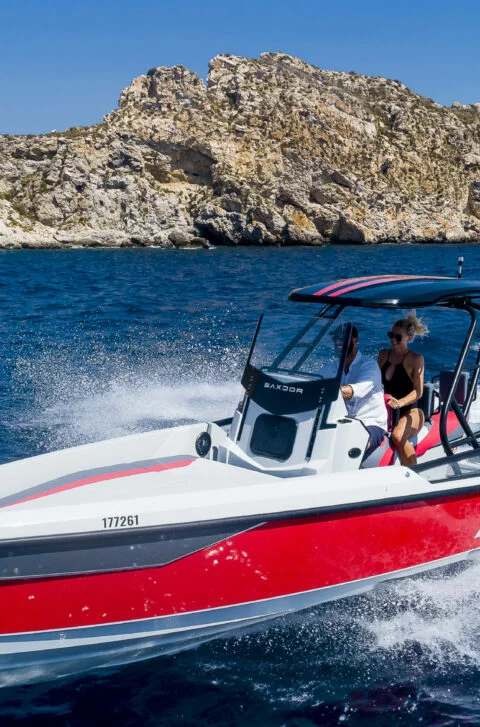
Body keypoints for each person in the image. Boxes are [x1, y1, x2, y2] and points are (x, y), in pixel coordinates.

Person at [377, 312, 428, 467]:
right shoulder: (383, 355)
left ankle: (413, 473)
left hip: (411, 411)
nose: (393, 340)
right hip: (387, 409)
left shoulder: (415, 359)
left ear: (409, 339)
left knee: (398, 436)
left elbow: (418, 392)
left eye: (398, 337)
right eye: (391, 335)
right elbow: (374, 382)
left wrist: (400, 402)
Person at [331, 324, 387, 459]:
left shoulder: (369, 366)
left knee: (348, 451)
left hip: (370, 423)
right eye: (336, 338)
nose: (338, 342)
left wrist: (325, 391)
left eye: (342, 338)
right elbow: (315, 381)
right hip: (342, 422)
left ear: (355, 340)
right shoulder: (333, 366)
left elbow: (355, 391)